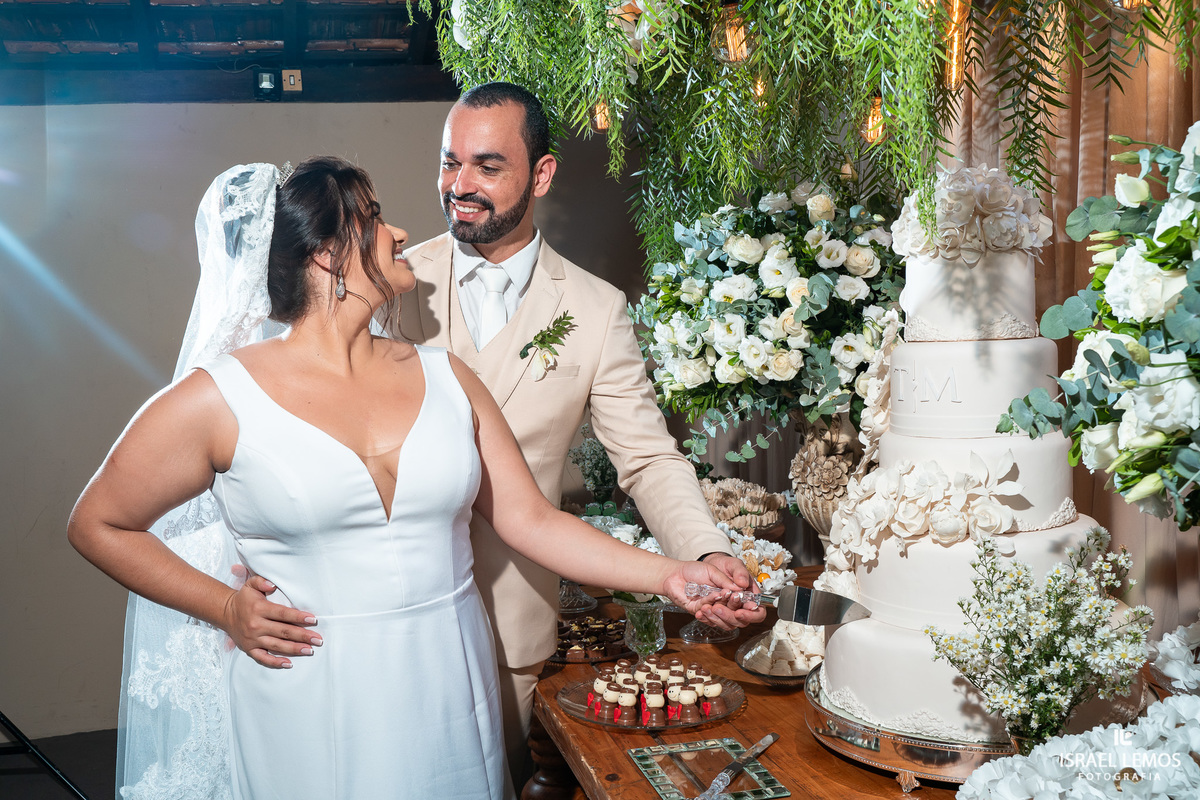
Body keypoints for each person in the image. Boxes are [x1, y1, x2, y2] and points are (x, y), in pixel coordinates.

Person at [67, 157, 743, 800]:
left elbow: (530, 520)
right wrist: (223, 606)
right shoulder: (219, 398)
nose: (398, 232)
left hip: (447, 676)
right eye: (373, 216)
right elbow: (97, 523)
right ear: (328, 252)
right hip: (306, 691)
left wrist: (672, 576)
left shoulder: (448, 377)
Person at [394, 80, 767, 782]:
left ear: (541, 174)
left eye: (487, 166)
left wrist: (704, 550)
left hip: (511, 621)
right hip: (394, 609)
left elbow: (649, 459)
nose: (460, 186)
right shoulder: (392, 283)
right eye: (450, 162)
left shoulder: (596, 310)